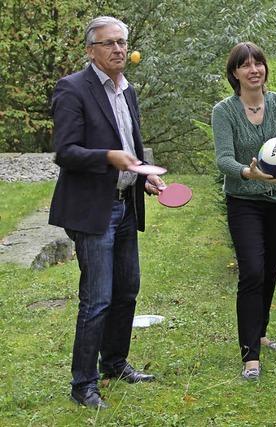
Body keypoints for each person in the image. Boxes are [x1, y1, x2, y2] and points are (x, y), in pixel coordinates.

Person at [49, 16, 164, 409]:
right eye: (109, 43)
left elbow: (131, 145)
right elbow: (65, 152)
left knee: (127, 290)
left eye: (122, 42)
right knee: (96, 298)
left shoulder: (127, 90)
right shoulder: (72, 88)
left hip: (125, 206)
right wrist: (109, 158)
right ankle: (83, 385)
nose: (118, 49)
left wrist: (142, 175)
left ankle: (114, 363)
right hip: (92, 212)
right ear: (90, 50)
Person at [211, 42, 276, 380]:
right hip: (244, 201)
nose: (254, 70)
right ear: (235, 73)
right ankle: (250, 356)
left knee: (269, 270)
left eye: (259, 63)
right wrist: (248, 172)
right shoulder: (224, 111)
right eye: (245, 65)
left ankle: (261, 332)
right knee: (252, 271)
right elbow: (223, 158)